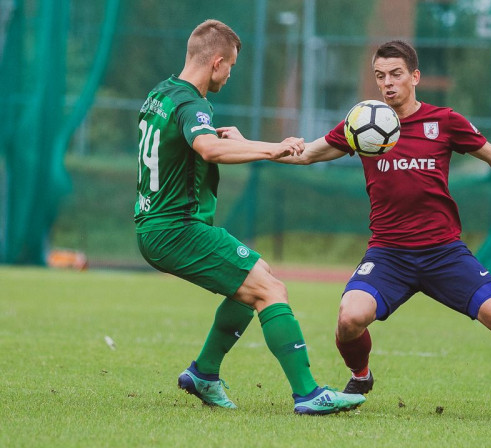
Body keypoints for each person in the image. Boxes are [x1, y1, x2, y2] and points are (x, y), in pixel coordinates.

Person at [221, 40, 491, 422]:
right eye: (380, 76)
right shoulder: (360, 123)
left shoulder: (444, 121)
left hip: (444, 252)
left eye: (396, 74)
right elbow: (306, 154)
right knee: (349, 319)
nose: (387, 83)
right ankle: (361, 377)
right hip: (388, 255)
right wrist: (246, 143)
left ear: (415, 76)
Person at [134, 19, 365, 415]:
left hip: (156, 224)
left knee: (256, 280)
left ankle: (204, 373)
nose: (230, 74)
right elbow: (207, 147)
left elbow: (193, 143)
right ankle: (308, 394)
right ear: (217, 62)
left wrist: (257, 144)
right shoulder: (193, 103)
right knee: (271, 291)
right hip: (176, 228)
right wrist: (272, 150)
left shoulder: (162, 93)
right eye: (232, 66)